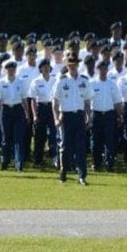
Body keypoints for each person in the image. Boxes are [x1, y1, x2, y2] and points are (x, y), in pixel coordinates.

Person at [51, 55, 92, 184]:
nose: (72, 67)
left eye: (74, 64)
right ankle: (63, 172)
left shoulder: (84, 81)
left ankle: (82, 176)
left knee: (81, 147)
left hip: (79, 116)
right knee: (65, 146)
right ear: (67, 66)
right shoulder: (62, 81)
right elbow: (55, 102)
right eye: (70, 64)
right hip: (66, 116)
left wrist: (89, 118)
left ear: (78, 65)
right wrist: (56, 118)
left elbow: (87, 101)